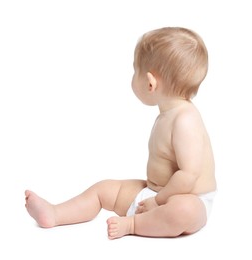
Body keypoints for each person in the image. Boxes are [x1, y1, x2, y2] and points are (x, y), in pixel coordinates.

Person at [25, 27, 217, 239]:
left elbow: (188, 177)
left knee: (184, 210)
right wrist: (153, 197)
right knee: (104, 189)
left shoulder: (185, 120)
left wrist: (160, 200)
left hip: (187, 198)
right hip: (154, 194)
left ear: (150, 83)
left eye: (135, 71)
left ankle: (133, 225)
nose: (133, 77)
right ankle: (55, 213)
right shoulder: (168, 114)